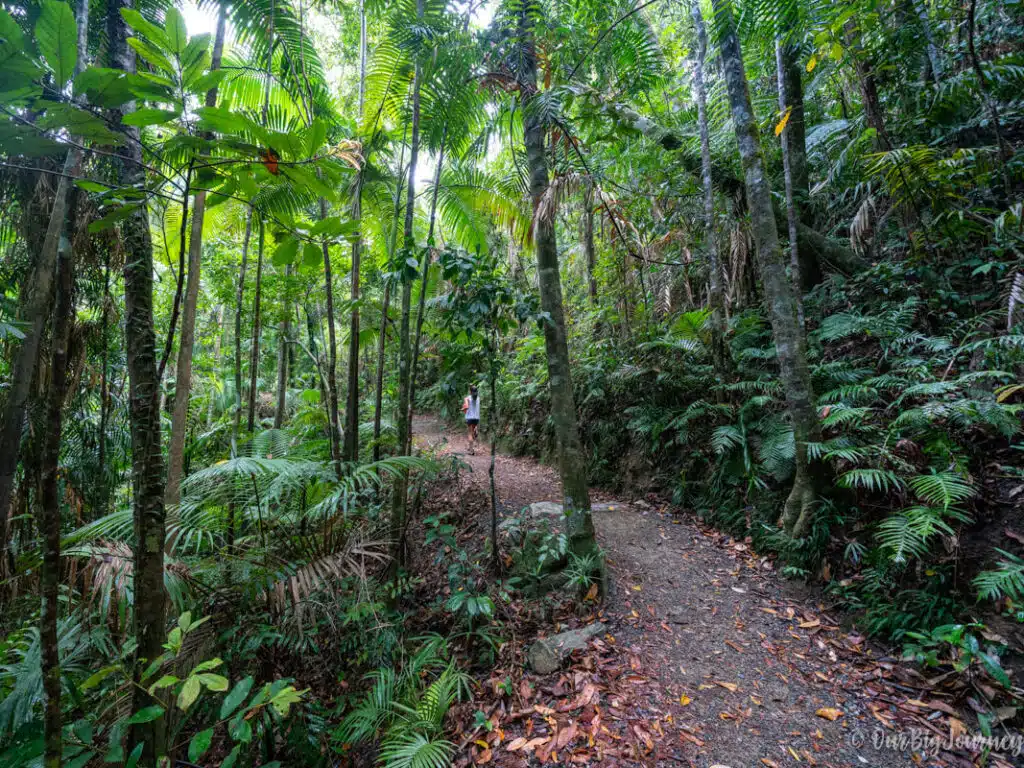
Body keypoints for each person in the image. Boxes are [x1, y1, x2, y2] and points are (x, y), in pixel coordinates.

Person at [461, 384, 481, 454]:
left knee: (469, 433)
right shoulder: (478, 398)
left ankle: (471, 450)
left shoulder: (467, 398)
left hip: (469, 418)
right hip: (476, 418)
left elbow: (466, 407)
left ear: (470, 391)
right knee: (473, 431)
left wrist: (462, 409)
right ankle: (476, 429)